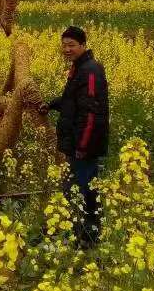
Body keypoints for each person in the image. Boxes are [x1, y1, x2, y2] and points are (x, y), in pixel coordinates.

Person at [39, 26, 109, 246]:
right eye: (64, 45)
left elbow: (91, 112)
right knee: (78, 188)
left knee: (83, 190)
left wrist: (83, 146)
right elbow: (72, 101)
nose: (67, 49)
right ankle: (80, 233)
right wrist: (51, 105)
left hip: (84, 146)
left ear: (83, 45)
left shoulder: (90, 71)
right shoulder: (79, 68)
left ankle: (87, 237)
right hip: (79, 144)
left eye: (72, 45)